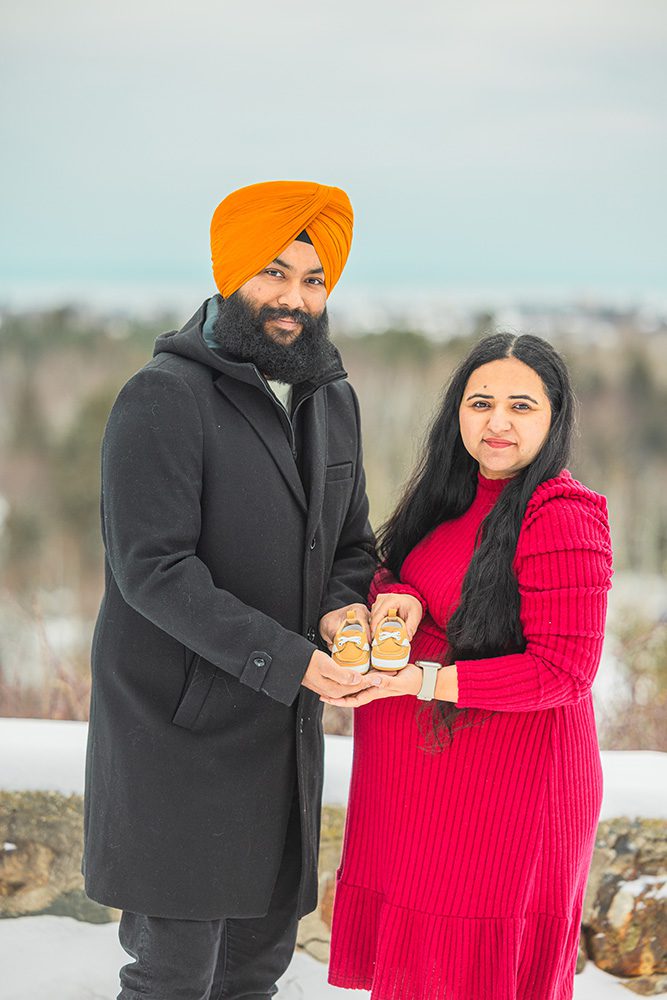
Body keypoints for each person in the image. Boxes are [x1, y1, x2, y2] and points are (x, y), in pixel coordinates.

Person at [82, 179, 379, 999]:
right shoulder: (161, 396)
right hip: (179, 746)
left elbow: (351, 545)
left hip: (282, 748)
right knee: (173, 979)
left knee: (253, 976)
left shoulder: (332, 399)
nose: (293, 298)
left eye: (313, 280)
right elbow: (153, 570)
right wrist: (292, 661)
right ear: (229, 273)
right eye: (273, 272)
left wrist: (342, 609)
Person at [323, 333, 613, 1000]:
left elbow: (564, 671)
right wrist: (399, 598)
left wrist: (422, 680)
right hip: (417, 796)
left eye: (520, 405)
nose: (497, 422)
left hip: (503, 799)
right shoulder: (448, 494)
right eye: (480, 403)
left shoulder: (562, 517)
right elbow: (408, 573)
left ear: (554, 416)